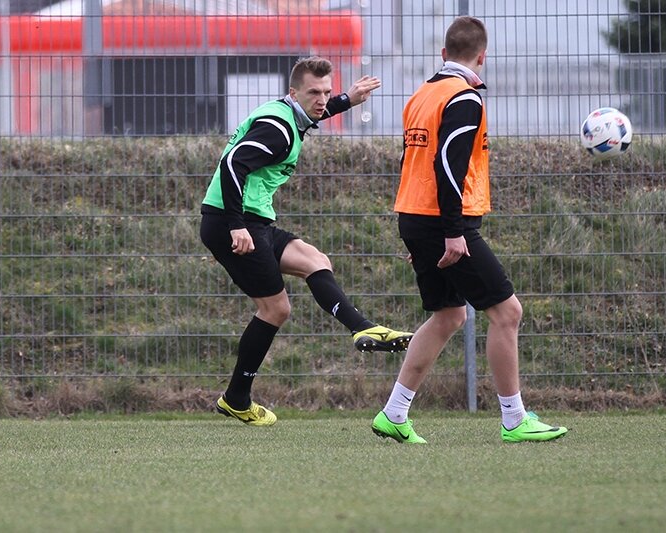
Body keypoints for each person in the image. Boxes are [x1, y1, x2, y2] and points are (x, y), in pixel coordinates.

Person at [371, 17, 568, 444]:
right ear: (483, 56)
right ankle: (514, 419)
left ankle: (394, 413)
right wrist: (451, 231)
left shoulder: (422, 94)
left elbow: (413, 162)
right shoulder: (464, 98)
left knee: (448, 315)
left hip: (416, 216)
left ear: (444, 54)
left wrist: (419, 233)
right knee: (507, 313)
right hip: (443, 222)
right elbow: (448, 164)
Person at [201, 56, 413, 426]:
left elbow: (314, 112)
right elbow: (233, 163)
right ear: (293, 92)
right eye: (314, 92)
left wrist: (347, 99)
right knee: (275, 309)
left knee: (314, 260)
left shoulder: (289, 114)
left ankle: (362, 328)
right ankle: (237, 398)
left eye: (327, 91)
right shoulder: (278, 130)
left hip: (252, 219)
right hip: (233, 221)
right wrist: (236, 225)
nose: (322, 99)